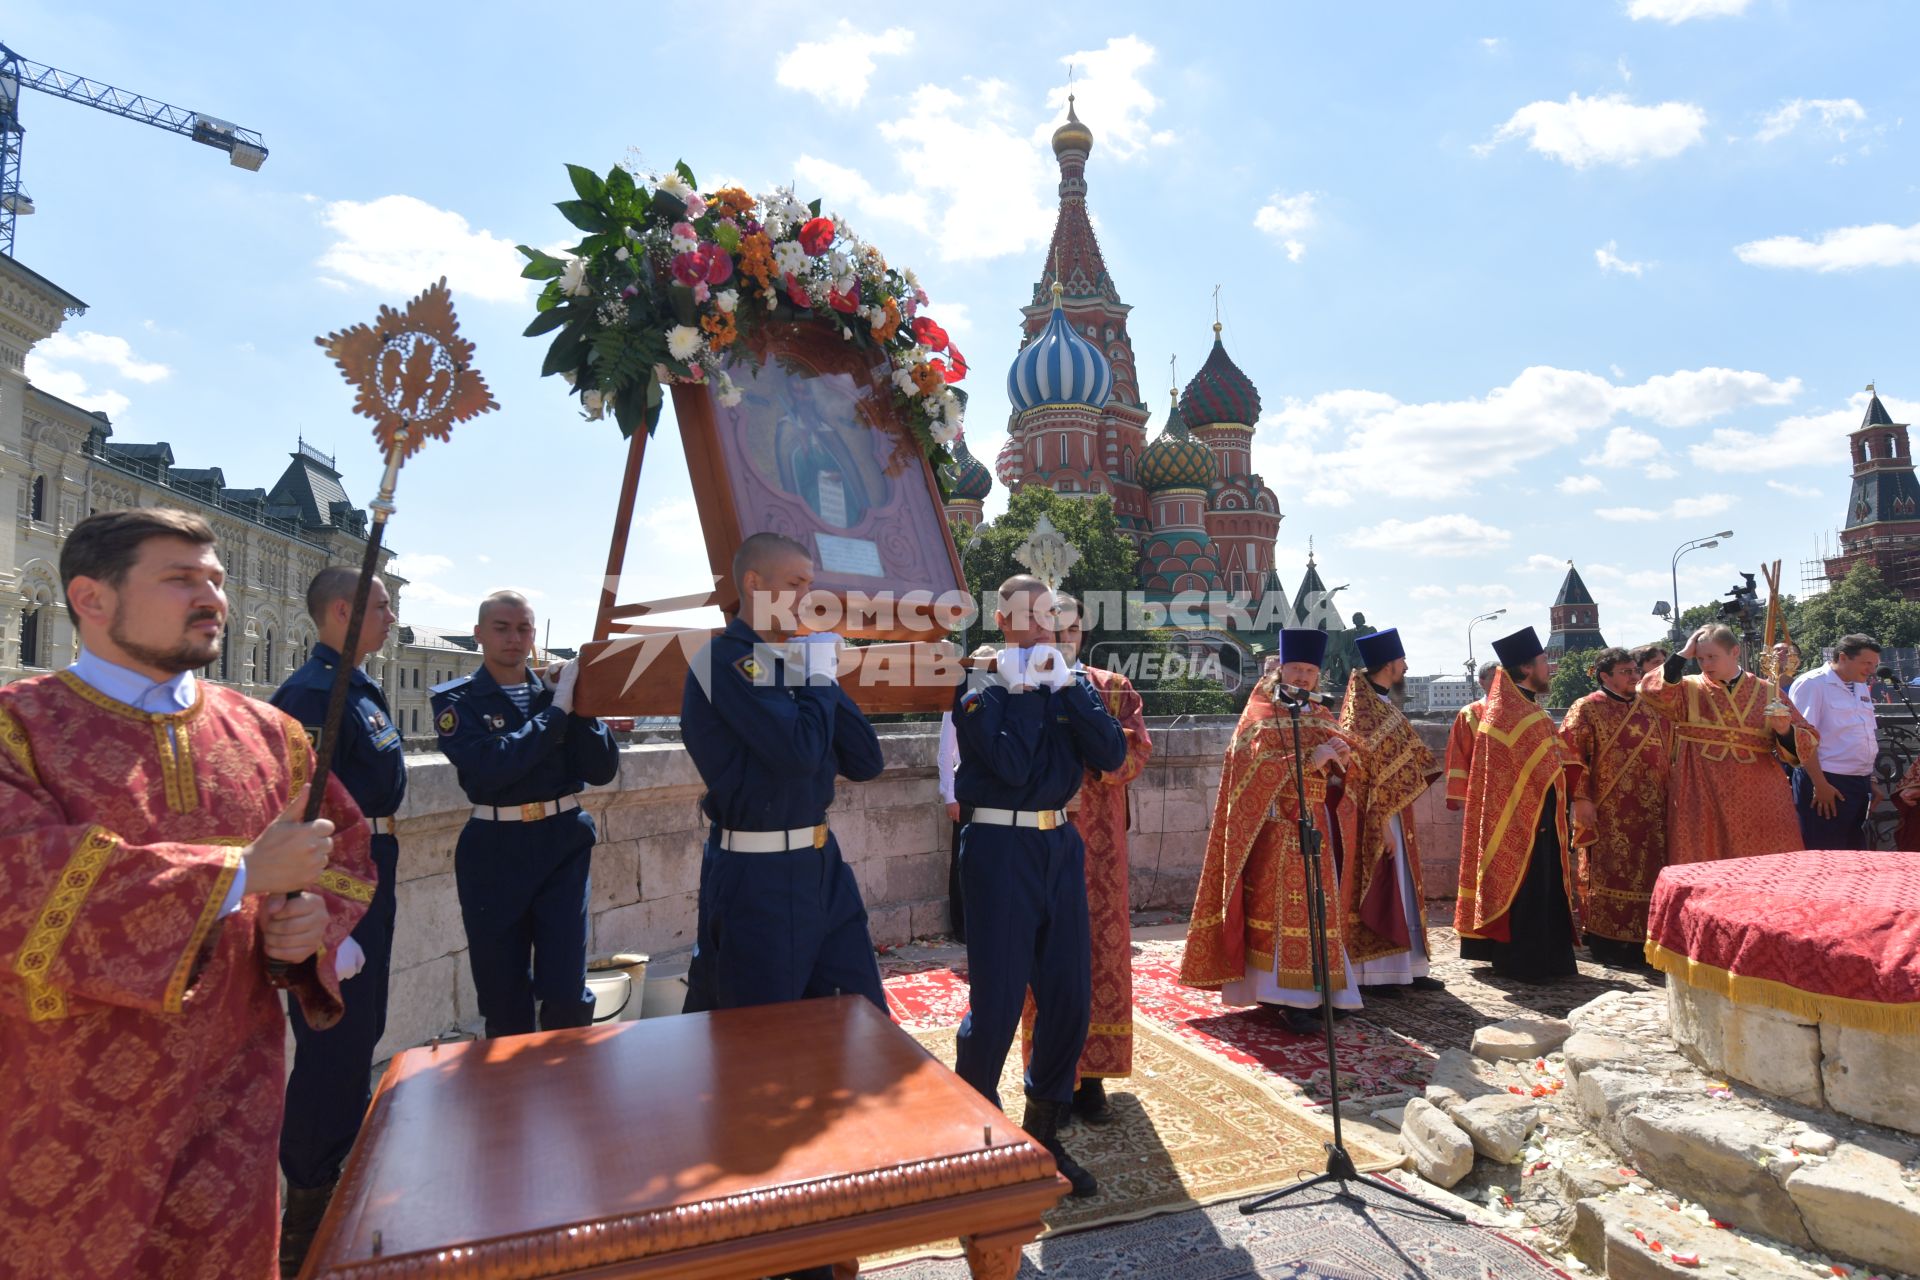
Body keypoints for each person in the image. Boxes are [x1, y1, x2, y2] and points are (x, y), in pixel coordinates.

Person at [0, 508, 373, 1278]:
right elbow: (22, 877)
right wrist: (241, 873)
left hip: (233, 1097)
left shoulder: (269, 733)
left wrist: (309, 932)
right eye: (180, 579)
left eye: (217, 580)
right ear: (91, 598)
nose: (212, 599)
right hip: (65, 1104)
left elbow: (340, 854)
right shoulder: (20, 726)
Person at [952, 574, 1126, 1198]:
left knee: (1070, 1000)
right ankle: (973, 1137)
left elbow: (1110, 754)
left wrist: (1067, 687)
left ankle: (1044, 1133)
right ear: (1001, 621)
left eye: (1052, 616)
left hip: (1058, 844)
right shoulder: (979, 683)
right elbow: (1010, 764)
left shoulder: (1067, 680)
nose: (1046, 628)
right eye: (1031, 616)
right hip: (1000, 846)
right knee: (996, 1005)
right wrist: (1024, 688)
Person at [679, 531, 886, 1013]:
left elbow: (865, 761)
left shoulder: (794, 662)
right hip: (758, 878)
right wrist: (816, 674)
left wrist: (821, 676)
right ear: (754, 583)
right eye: (795, 583)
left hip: (822, 868)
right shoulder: (722, 661)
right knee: (761, 1043)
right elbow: (797, 752)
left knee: (860, 1023)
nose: (806, 598)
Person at [273, 566, 407, 1273]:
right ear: (339, 611)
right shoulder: (313, 693)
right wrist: (331, 921)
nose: (392, 617)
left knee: (358, 1041)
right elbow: (300, 810)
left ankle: (343, 1193)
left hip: (369, 876)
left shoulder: (354, 684)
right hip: (340, 894)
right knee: (330, 1052)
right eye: (383, 606)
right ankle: (307, 1219)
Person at [432, 590, 620, 1037]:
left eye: (523, 629)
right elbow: (493, 768)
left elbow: (601, 769)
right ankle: (510, 1100)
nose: (514, 639)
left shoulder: (557, 693)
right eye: (501, 628)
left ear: (534, 636)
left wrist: (580, 710)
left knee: (566, 991)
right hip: (494, 852)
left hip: (561, 844)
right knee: (503, 996)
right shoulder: (457, 701)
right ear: (479, 635)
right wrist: (556, 716)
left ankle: (568, 1092)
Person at [1183, 628, 1363, 1034]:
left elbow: (1340, 772)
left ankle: (1327, 992)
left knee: (1321, 908)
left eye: (1310, 670)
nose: (1303, 676)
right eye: (1296, 668)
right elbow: (1248, 771)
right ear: (1281, 670)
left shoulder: (1320, 712)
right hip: (1275, 832)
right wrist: (1306, 760)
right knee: (1283, 913)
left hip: (1315, 824)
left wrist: (1341, 759)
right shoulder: (1260, 712)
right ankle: (1288, 997)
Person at [1018, 593, 1152, 1125]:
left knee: (1099, 953)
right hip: (1036, 839)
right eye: (1053, 629)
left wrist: (1092, 746)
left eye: (1071, 630)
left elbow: (1135, 752)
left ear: (1082, 634)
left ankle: (1091, 1077)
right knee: (1042, 958)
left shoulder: (1112, 687)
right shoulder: (1017, 684)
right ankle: (1049, 1081)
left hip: (1098, 849)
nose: (1062, 639)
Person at [1454, 627, 1580, 983]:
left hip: (1541, 817)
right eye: (1544, 662)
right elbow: (1526, 769)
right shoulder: (1510, 714)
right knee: (1528, 887)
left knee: (1544, 885)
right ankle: (1527, 962)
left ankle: (1548, 959)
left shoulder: (1525, 707)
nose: (1550, 669)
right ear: (1526, 668)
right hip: (1521, 820)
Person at [1636, 624, 1817, 865]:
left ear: (1734, 652)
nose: (1706, 664)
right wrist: (1683, 653)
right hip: (1700, 787)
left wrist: (1784, 730)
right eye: (1700, 658)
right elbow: (1650, 692)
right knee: (1704, 860)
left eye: (1712, 657)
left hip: (1758, 791)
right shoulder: (1686, 688)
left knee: (1765, 863)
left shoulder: (1767, 691)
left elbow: (1808, 739)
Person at [1340, 628, 1445, 997]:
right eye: (1401, 660)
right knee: (1386, 883)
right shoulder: (1363, 713)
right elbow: (1362, 777)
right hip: (1377, 818)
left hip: (1398, 814)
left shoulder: (1382, 704)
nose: (1406, 666)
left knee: (1405, 886)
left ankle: (1412, 966)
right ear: (1388, 664)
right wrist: (1382, 822)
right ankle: (1378, 974)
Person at [1558, 647, 1668, 970]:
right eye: (1626, 672)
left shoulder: (1650, 706)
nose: (1635, 677)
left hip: (1653, 811)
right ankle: (1609, 941)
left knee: (1651, 873)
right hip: (1608, 810)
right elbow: (1571, 756)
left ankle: (1649, 942)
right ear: (1604, 676)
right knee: (1609, 870)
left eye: (1635, 671)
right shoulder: (1586, 708)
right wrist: (1581, 800)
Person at [1787, 634, 1882, 850]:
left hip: (1859, 782)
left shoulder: (1858, 684)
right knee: (1825, 854)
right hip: (1827, 782)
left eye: (1874, 665)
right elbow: (1802, 739)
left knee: (1854, 854)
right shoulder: (1813, 684)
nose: (1871, 670)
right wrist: (1820, 784)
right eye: (1866, 663)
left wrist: (1871, 779)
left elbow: (1863, 734)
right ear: (1843, 657)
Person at [938, 709, 966, 942]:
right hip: (965, 791)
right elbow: (946, 750)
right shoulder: (958, 698)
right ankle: (961, 926)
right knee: (961, 859)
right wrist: (950, 795)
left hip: (992, 793)